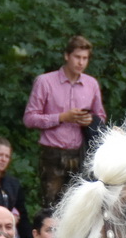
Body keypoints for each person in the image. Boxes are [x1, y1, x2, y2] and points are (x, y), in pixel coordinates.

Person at [23, 34, 108, 208]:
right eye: (77, 57)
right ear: (67, 56)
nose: (81, 62)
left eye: (85, 58)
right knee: (51, 206)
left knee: (76, 207)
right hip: (52, 152)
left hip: (79, 152)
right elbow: (29, 119)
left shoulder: (91, 84)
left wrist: (89, 120)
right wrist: (62, 117)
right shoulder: (45, 82)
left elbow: (101, 117)